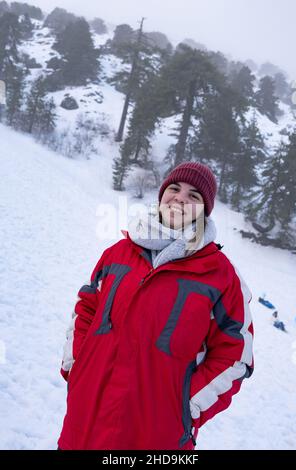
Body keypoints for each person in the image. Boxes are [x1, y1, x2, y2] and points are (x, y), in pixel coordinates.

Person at [57, 161, 254, 450]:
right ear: (162, 195)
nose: (181, 198)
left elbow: (236, 356)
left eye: (194, 195)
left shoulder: (222, 276)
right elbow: (86, 307)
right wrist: (76, 364)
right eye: (174, 188)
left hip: (156, 436)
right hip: (84, 423)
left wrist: (187, 407)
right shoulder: (118, 253)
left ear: (204, 210)